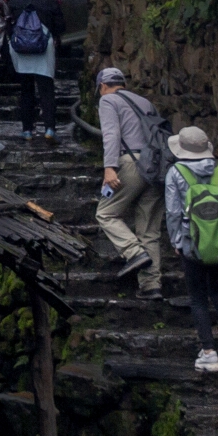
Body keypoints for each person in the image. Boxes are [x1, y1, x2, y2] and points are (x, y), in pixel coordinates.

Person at [163, 126, 218, 372]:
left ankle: (209, 352)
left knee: (198, 298)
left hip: (193, 245)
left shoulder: (175, 173)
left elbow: (173, 212)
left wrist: (177, 241)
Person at [94, 66, 167, 294]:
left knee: (106, 214)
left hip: (132, 164)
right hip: (156, 168)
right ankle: (151, 285)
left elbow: (111, 134)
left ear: (103, 86)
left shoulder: (108, 101)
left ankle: (134, 253)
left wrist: (109, 168)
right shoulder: (144, 102)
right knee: (149, 230)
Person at [0, 0, 63, 139]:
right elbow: (60, 27)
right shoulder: (50, 1)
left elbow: (8, 26)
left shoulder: (14, 2)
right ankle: (49, 129)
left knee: (26, 89)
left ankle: (27, 130)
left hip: (21, 49)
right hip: (44, 47)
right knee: (46, 88)